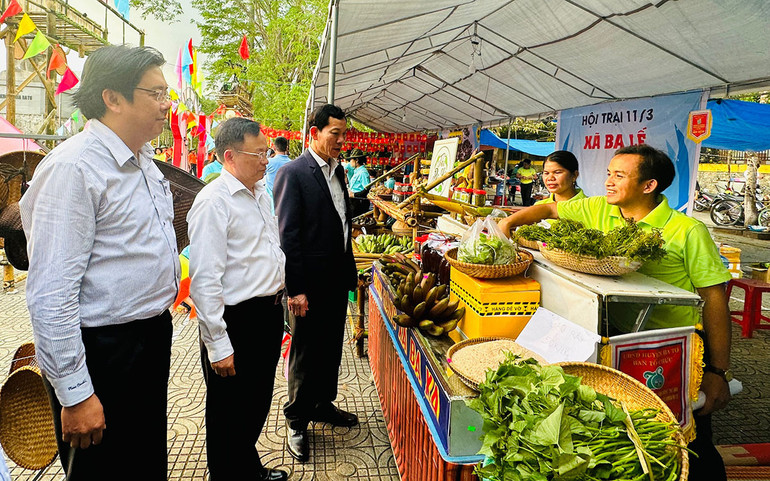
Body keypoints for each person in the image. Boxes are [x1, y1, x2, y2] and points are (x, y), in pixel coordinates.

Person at [499, 144, 732, 480]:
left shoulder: (687, 231)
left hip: (671, 352)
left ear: (648, 186)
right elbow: (549, 209)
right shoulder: (598, 210)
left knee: (687, 436)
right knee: (630, 435)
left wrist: (718, 371)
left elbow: (715, 300)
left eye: (619, 176)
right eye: (608, 173)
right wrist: (509, 224)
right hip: (618, 341)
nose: (608, 181)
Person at [19, 45, 179, 480]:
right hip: (103, 352)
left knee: (143, 460)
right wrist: (75, 393)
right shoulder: (74, 168)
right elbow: (51, 293)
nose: (168, 105)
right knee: (103, 470)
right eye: (157, 94)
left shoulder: (143, 161)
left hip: (149, 337)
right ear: (113, 98)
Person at [187, 118, 288, 481]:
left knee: (256, 401)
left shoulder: (260, 192)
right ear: (229, 156)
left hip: (267, 314)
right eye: (258, 153)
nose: (266, 159)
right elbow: (205, 278)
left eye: (266, 151)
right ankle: (228, 473)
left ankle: (246, 468)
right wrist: (217, 342)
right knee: (229, 410)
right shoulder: (213, 202)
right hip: (236, 320)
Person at [273, 104, 359, 463]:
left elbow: (339, 219)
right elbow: (287, 236)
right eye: (334, 134)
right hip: (308, 284)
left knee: (330, 348)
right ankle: (296, 420)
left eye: (343, 134)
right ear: (315, 133)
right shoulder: (294, 173)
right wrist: (296, 289)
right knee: (306, 353)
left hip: (336, 279)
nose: (341, 140)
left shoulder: (339, 172)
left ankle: (323, 404)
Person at [265, 135, 292, 204]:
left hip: (270, 201)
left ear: (274, 147)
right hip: (286, 200)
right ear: (287, 148)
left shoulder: (268, 162)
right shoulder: (292, 164)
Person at [348, 150, 372, 217]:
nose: (350, 162)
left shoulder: (363, 172)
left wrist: (355, 195)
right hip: (354, 201)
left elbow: (367, 189)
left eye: (351, 160)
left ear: (357, 160)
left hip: (359, 202)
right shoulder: (357, 171)